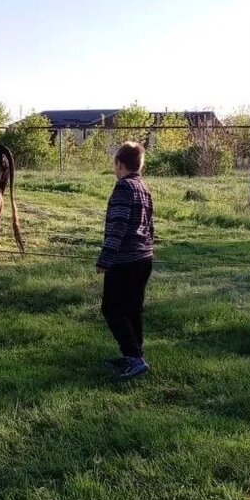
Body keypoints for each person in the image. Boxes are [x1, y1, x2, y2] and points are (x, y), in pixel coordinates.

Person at [96, 141, 154, 380]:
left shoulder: (123, 188)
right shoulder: (143, 187)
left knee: (111, 309)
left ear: (119, 164)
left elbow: (117, 227)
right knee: (132, 309)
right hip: (144, 258)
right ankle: (133, 355)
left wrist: (105, 259)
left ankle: (134, 357)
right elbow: (150, 225)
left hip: (125, 260)